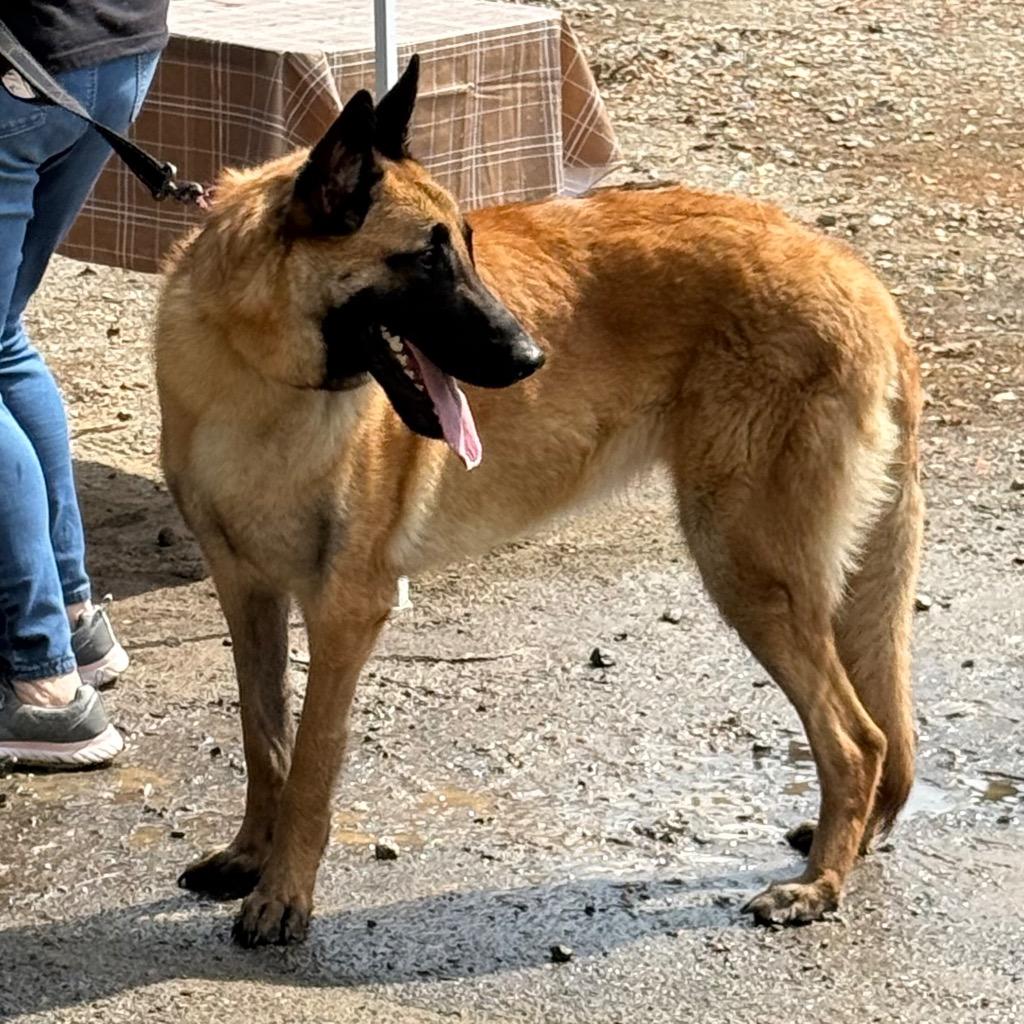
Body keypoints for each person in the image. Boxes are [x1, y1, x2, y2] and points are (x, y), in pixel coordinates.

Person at [0, 1, 169, 766]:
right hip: (116, 49)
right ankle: (71, 619)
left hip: (27, 64)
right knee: (2, 335)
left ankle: (44, 682)